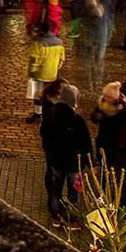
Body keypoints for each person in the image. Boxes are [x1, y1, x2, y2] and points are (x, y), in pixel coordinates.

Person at [38, 81, 91, 228]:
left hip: (56, 160)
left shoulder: (50, 114)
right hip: (74, 163)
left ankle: (55, 217)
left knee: (55, 189)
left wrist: (49, 150)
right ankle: (71, 219)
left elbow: (43, 133)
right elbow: (85, 143)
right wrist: (89, 161)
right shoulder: (77, 120)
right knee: (74, 193)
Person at [26, 28, 65, 122]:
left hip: (39, 74)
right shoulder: (59, 43)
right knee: (49, 94)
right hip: (52, 73)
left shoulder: (38, 42)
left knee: (38, 95)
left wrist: (31, 71)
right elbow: (62, 59)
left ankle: (37, 115)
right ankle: (48, 115)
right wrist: (56, 68)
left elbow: (35, 59)